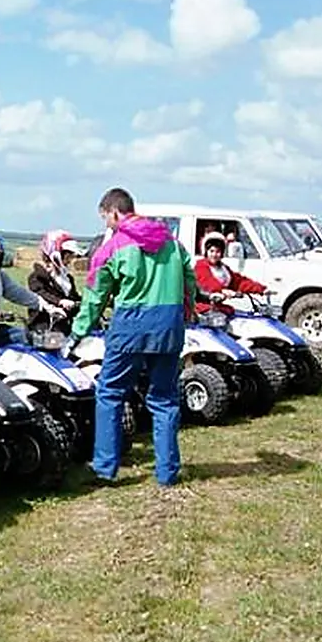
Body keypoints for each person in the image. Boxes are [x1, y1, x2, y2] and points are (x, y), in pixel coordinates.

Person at [67, 187, 196, 486]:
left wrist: (78, 331)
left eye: (105, 219)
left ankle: (105, 469)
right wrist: (186, 312)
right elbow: (190, 279)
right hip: (168, 329)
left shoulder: (113, 247)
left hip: (129, 329)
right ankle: (167, 473)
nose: (106, 225)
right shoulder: (173, 243)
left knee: (110, 394)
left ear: (113, 212)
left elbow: (95, 294)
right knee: (165, 400)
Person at [25, 228, 87, 334]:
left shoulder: (67, 279)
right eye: (67, 257)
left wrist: (86, 302)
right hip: (44, 327)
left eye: (71, 257)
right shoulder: (37, 277)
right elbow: (41, 294)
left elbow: (74, 299)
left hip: (65, 325)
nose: (69, 261)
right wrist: (60, 301)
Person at [192, 231, 268, 313]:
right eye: (211, 251)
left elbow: (239, 282)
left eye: (218, 252)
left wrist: (261, 289)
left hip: (217, 307)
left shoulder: (223, 268)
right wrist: (222, 291)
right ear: (206, 252)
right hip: (202, 308)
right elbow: (208, 283)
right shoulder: (201, 266)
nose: (214, 254)